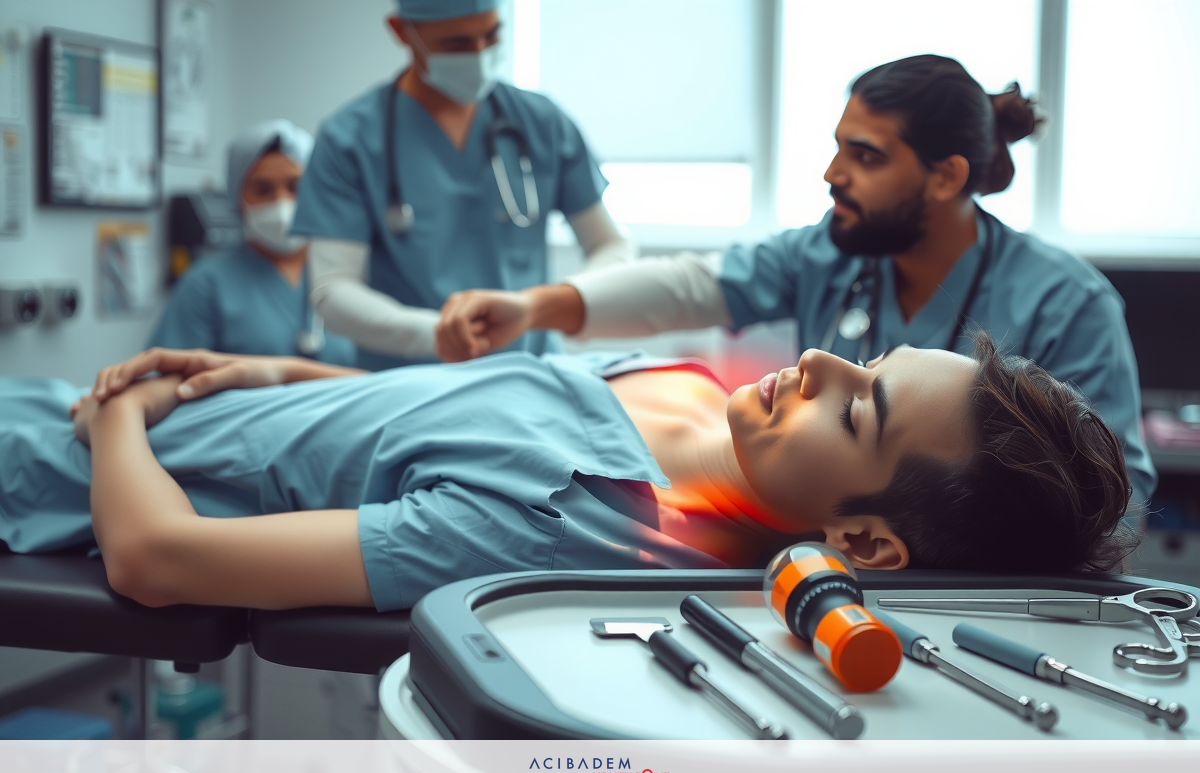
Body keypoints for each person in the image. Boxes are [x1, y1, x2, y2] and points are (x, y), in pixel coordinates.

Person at [434, 54, 1156, 512]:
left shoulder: (1067, 303)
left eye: (865, 157)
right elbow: (694, 285)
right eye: (837, 148)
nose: (832, 175)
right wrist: (535, 306)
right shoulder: (838, 250)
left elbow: (1107, 499)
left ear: (947, 176)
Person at [0, 332, 1133, 612]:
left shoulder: (572, 523)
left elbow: (156, 558)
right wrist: (280, 369)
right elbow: (443, 407)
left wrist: (123, 414)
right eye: (865, 355)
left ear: (868, 543)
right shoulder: (689, 382)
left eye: (862, 403)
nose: (824, 361)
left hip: (45, 474)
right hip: (91, 411)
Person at [291, 0, 634, 371]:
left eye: (492, 35)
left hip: (533, 369)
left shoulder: (540, 123)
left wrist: (551, 306)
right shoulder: (350, 139)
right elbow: (333, 290)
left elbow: (610, 244)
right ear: (401, 32)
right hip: (411, 379)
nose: (479, 55)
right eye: (456, 44)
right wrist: (439, 334)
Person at [147, 120, 356, 366]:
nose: (281, 203)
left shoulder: (354, 274)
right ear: (237, 198)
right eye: (262, 189)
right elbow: (163, 381)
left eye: (295, 187)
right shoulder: (206, 286)